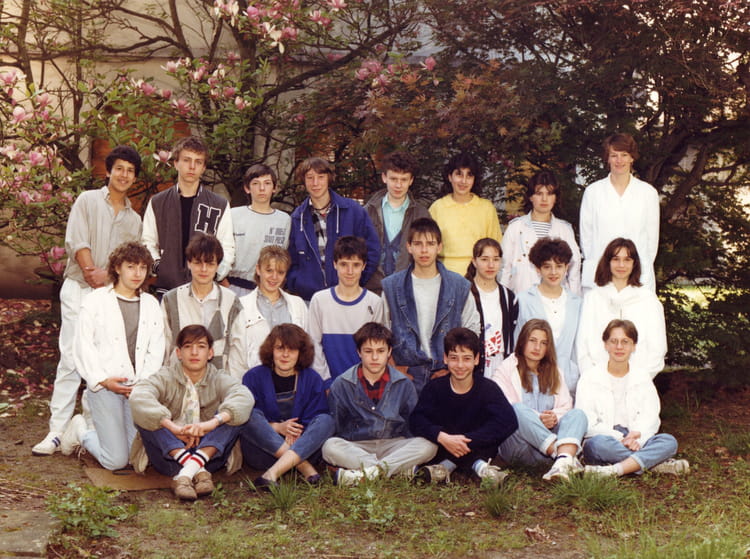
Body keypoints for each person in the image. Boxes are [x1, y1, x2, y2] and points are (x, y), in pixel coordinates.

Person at [33, 145, 144, 456]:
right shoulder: (87, 200)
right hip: (79, 288)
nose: (124, 175)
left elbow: (129, 260)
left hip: (109, 295)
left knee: (102, 362)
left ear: (135, 177)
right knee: (71, 358)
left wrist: (107, 277)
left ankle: (90, 428)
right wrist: (91, 271)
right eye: (119, 168)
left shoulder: (134, 220)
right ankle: (56, 430)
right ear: (108, 171)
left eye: (130, 171)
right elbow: (77, 240)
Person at [60, 242, 165, 470]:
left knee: (133, 456)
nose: (137, 273)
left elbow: (156, 349)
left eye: (142, 268)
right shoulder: (95, 301)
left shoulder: (150, 304)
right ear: (117, 268)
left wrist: (142, 383)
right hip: (105, 387)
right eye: (131, 267)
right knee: (115, 461)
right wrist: (103, 380)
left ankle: (105, 435)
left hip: (136, 388)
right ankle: (81, 431)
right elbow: (83, 346)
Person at [129, 324, 254, 500]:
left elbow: (244, 397)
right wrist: (173, 428)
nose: (194, 352)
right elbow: (139, 395)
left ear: (210, 353)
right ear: (179, 353)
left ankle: (186, 474)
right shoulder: (165, 376)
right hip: (170, 459)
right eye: (188, 346)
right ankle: (196, 471)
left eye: (201, 346)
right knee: (149, 415)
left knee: (232, 414)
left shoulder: (219, 377)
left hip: (210, 457)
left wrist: (211, 424)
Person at [322, 322, 438, 485]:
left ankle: (367, 474)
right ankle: (396, 470)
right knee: (330, 446)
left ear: (389, 352)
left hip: (393, 445)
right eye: (368, 351)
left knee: (428, 445)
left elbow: (411, 423)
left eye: (380, 351)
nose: (375, 357)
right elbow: (338, 424)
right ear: (359, 352)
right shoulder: (342, 384)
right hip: (358, 446)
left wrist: (407, 448)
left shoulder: (404, 383)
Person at [576, 320, 688, 477]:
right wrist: (620, 438)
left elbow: (651, 415)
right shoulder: (589, 377)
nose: (619, 347)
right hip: (605, 438)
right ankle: (654, 463)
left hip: (635, 436)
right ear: (605, 345)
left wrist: (637, 436)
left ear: (633, 346)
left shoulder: (642, 377)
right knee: (596, 445)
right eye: (613, 341)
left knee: (669, 441)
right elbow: (587, 421)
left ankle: (613, 470)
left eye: (625, 342)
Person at [381, 218, 481, 394]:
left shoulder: (459, 286)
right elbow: (381, 331)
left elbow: (472, 330)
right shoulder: (392, 286)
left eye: (430, 243)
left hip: (446, 373)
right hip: (405, 374)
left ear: (439, 247)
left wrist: (452, 368)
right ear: (409, 247)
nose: (424, 250)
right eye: (418, 244)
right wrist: (392, 366)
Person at [410, 328, 517, 486]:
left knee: (490, 433)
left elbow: (509, 421)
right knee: (430, 439)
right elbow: (416, 420)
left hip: (477, 446)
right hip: (444, 446)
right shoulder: (434, 388)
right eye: (454, 358)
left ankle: (447, 467)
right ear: (445, 358)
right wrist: (442, 437)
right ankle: (480, 468)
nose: (460, 365)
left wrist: (467, 441)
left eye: (466, 358)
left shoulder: (488, 388)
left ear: (476, 359)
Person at [240, 324, 334, 488]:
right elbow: (251, 421)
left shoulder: (312, 378)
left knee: (327, 420)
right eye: (280, 348)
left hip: (304, 450)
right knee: (246, 414)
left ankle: (271, 475)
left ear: (301, 353)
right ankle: (304, 467)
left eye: (292, 349)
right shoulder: (253, 377)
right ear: (271, 350)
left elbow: (316, 418)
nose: (285, 355)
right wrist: (278, 428)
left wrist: (296, 433)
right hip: (263, 454)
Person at [492, 319, 587, 481]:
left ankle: (561, 463)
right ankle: (563, 457)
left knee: (578, 414)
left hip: (546, 449)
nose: (537, 347)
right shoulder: (506, 368)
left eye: (543, 343)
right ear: (522, 341)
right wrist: (539, 419)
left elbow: (566, 407)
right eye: (533, 341)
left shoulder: (554, 371)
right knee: (516, 409)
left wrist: (554, 417)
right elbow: (503, 407)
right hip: (520, 447)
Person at [142, 136, 235, 297]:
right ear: (176, 163)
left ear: (203, 168)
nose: (192, 167)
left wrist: (215, 273)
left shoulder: (219, 204)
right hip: (167, 289)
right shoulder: (158, 202)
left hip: (205, 290)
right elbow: (148, 242)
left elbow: (227, 247)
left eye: (198, 162)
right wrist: (159, 267)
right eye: (186, 160)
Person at [285, 157, 380, 301]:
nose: (315, 183)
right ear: (303, 181)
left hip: (348, 295)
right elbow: (291, 259)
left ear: (329, 178)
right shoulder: (297, 218)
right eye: (310, 178)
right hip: (310, 299)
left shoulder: (352, 211)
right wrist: (299, 283)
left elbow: (372, 250)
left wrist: (356, 281)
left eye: (321, 177)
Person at [576, 238, 667, 379]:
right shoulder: (593, 298)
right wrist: (594, 379)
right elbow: (582, 345)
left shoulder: (648, 300)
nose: (621, 265)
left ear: (634, 263)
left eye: (627, 259)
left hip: (638, 382)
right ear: (608, 262)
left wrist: (639, 379)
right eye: (616, 259)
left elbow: (658, 348)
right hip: (598, 380)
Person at [580, 133, 660, 292]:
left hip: (637, 278)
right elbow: (586, 239)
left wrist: (637, 267)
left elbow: (651, 241)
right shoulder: (593, 192)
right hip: (600, 276)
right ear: (607, 159)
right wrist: (601, 265)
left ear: (632, 158)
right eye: (614, 155)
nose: (619, 160)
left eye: (624, 155)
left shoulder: (647, 193)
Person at [161, 233, 247, 379]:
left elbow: (238, 352)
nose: (204, 269)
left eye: (210, 263)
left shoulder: (231, 301)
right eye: (198, 263)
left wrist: (230, 386)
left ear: (218, 266)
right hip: (178, 382)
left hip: (218, 383)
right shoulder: (170, 300)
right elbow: (164, 348)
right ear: (189, 263)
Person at [308, 236, 384, 384]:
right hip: (328, 385)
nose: (350, 271)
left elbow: (377, 349)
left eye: (356, 265)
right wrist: (326, 382)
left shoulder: (374, 302)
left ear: (364, 266)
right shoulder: (319, 300)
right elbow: (313, 345)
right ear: (334, 264)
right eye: (344, 264)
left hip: (363, 385)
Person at [515, 238, 582, 394]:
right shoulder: (523, 300)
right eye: (547, 266)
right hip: (531, 381)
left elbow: (577, 346)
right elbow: (517, 343)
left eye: (559, 266)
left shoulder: (577, 303)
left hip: (567, 382)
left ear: (567, 267)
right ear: (538, 268)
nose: (553, 272)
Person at [500, 170, 581, 295]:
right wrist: (503, 300)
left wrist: (575, 300)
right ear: (531, 197)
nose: (544, 199)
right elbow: (504, 268)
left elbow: (574, 270)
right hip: (522, 297)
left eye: (549, 194)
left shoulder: (564, 230)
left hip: (557, 299)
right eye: (539, 193)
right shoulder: (515, 228)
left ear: (555, 198)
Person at [363, 151, 430, 293]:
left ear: (411, 180)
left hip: (407, 290)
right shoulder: (367, 212)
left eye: (404, 179)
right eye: (393, 179)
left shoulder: (421, 214)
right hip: (372, 289)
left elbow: (427, 255)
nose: (398, 185)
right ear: (384, 177)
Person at [428, 152, 502, 275]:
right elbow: (428, 248)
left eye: (469, 175)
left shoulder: (486, 208)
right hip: (445, 275)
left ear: (474, 179)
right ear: (450, 177)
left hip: (479, 275)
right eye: (459, 174)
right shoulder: (437, 208)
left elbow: (495, 248)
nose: (463, 181)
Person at [227, 164, 291, 296]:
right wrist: (225, 283)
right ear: (247, 188)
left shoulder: (284, 220)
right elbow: (221, 251)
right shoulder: (233, 215)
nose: (262, 188)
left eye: (267, 183)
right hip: (235, 287)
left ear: (274, 188)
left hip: (269, 288)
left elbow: (285, 257)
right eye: (256, 183)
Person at [240, 246, 308, 370]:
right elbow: (236, 357)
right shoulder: (242, 306)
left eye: (280, 272)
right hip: (254, 379)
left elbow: (306, 348)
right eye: (269, 270)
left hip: (291, 378)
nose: (274, 277)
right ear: (258, 269)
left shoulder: (298, 305)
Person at [466, 238, 519, 377]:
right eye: (484, 259)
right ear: (474, 261)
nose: (491, 265)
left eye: (496, 259)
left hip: (500, 363)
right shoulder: (465, 293)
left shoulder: (508, 296)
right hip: (473, 365)